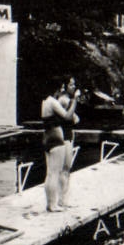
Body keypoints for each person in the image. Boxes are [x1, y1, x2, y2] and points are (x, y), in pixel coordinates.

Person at [41, 83, 79, 213]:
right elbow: (68, 117)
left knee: (50, 173)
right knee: (54, 173)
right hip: (56, 139)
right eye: (61, 88)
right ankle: (53, 205)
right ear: (56, 89)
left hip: (47, 137)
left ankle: (51, 203)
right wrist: (74, 101)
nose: (62, 91)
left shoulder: (45, 102)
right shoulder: (52, 102)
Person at [59, 77, 81, 207]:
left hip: (68, 135)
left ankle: (64, 199)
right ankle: (62, 200)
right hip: (64, 137)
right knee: (65, 169)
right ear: (65, 86)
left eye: (74, 84)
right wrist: (76, 100)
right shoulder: (64, 100)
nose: (74, 87)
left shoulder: (67, 100)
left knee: (67, 169)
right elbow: (73, 118)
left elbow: (75, 118)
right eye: (71, 85)